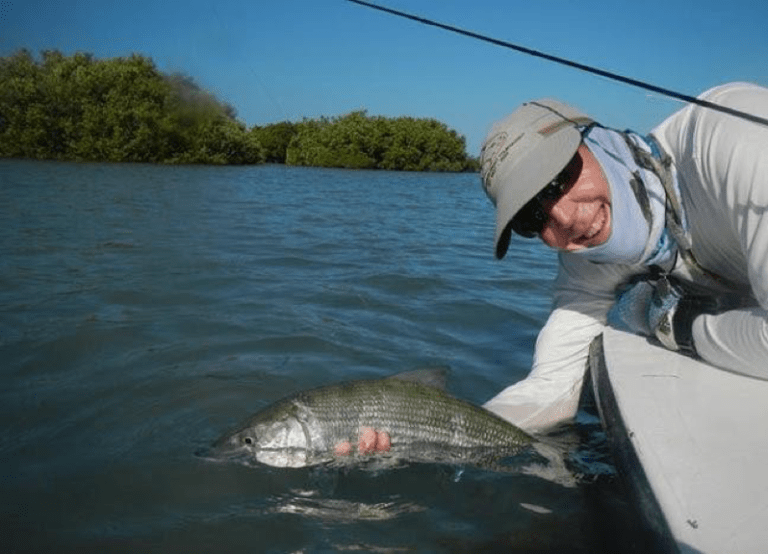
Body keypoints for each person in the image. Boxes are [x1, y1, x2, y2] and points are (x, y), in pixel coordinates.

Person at [479, 82, 768, 433]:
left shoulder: (737, 140)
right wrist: (426, 431)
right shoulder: (587, 258)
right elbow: (550, 391)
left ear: (599, 140)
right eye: (531, 218)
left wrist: (678, 325)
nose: (567, 220)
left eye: (558, 179)